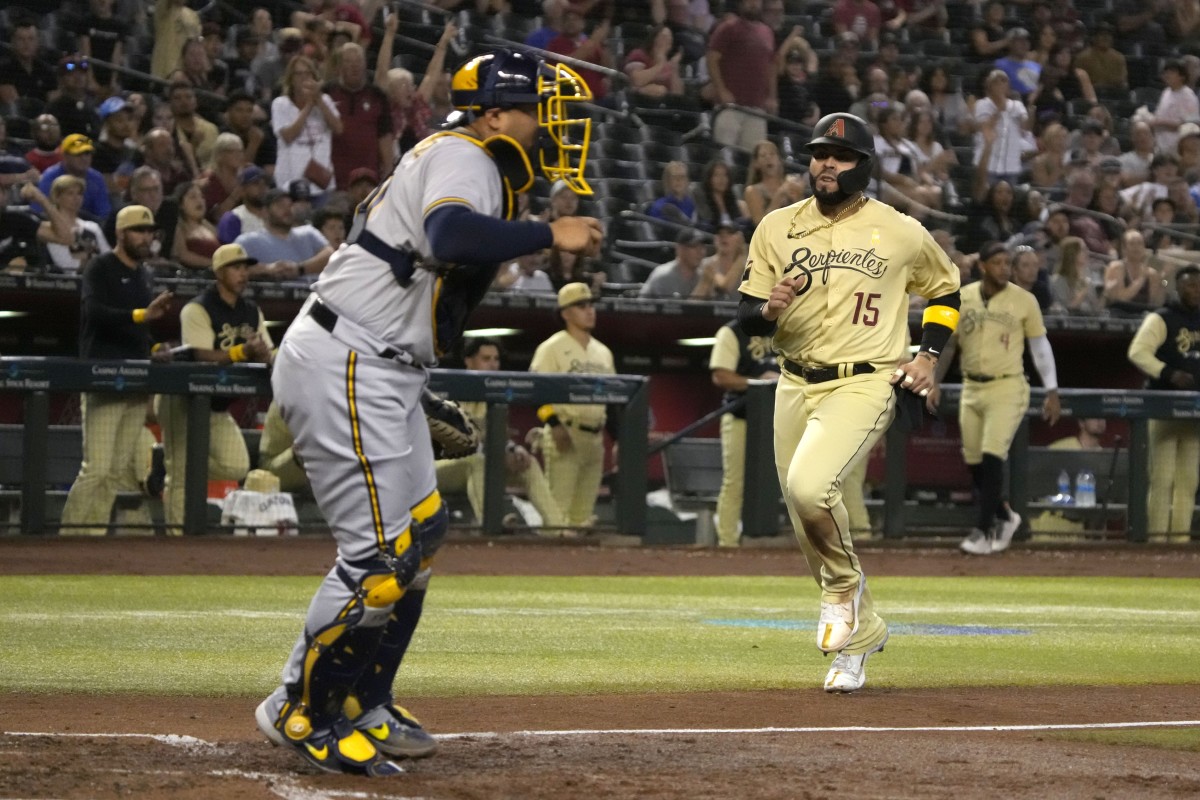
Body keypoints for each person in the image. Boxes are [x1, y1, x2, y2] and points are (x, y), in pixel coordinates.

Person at [254, 49, 602, 776]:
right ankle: (301, 707)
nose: (548, 126)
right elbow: (448, 238)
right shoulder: (465, 153)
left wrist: (412, 379)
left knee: (422, 535)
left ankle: (359, 699)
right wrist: (549, 232)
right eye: (537, 110)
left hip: (377, 363)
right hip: (348, 358)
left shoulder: (463, 159)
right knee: (381, 558)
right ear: (495, 113)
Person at [737, 112, 961, 692]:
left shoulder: (903, 230)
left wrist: (928, 357)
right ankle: (861, 636)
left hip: (865, 380)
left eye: (839, 156)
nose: (825, 164)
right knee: (803, 511)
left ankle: (841, 591)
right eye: (817, 154)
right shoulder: (777, 227)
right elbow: (744, 314)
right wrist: (768, 308)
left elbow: (945, 289)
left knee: (812, 488)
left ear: (865, 165)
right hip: (793, 380)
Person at [929, 242, 1061, 556]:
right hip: (971, 387)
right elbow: (948, 345)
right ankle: (1005, 515)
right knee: (974, 461)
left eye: (1007, 263)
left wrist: (1052, 390)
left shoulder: (1024, 300)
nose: (1004, 268)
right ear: (984, 266)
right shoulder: (964, 296)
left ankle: (983, 530)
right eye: (997, 262)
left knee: (991, 457)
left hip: (1008, 386)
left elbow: (1040, 347)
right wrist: (932, 380)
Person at [60, 206, 172, 535]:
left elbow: (138, 330)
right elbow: (95, 313)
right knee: (96, 468)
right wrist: (141, 315)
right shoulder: (100, 267)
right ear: (121, 234)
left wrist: (153, 348)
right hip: (103, 377)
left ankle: (90, 538)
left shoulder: (144, 274)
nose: (146, 237)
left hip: (136, 382)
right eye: (139, 230)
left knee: (115, 471)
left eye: (150, 231)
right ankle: (68, 538)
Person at [157, 243, 273, 530]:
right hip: (182, 400)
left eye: (246, 267)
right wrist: (241, 353)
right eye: (236, 267)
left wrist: (263, 354)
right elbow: (201, 354)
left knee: (236, 465)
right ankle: (177, 538)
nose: (243, 273)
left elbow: (269, 351)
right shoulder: (198, 307)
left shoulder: (251, 310)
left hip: (217, 405)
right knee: (182, 475)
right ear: (219, 273)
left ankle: (165, 462)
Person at [434, 338, 567, 534]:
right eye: (486, 358)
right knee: (477, 461)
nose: (493, 364)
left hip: (477, 463)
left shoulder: (495, 393)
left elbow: (497, 439)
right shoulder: (450, 389)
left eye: (496, 359)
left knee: (527, 463)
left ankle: (557, 528)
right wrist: (496, 453)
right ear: (468, 361)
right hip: (435, 468)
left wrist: (512, 449)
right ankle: (491, 523)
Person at [530, 282, 615, 530]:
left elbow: (612, 398)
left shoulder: (603, 352)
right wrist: (554, 425)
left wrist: (617, 437)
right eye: (581, 306)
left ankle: (576, 567)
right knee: (557, 514)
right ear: (565, 313)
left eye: (591, 305)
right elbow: (536, 392)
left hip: (595, 437)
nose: (590, 310)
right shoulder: (551, 348)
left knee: (583, 517)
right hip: (566, 432)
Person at [1127, 264, 1200, 536]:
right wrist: (1167, 372)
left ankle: (1179, 540)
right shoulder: (1162, 317)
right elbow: (1137, 352)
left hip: (1195, 411)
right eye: (1190, 285)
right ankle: (1157, 538)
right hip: (1164, 405)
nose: (1196, 290)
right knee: (1162, 479)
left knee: (1189, 481)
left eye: (1199, 285)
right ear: (1177, 287)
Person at [708, 318, 779, 547]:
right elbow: (721, 375)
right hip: (741, 415)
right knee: (735, 482)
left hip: (781, 419)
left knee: (791, 483)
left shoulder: (790, 327)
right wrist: (757, 382)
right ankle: (727, 542)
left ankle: (781, 542)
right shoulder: (733, 331)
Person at [706, 0, 777, 150]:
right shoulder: (728, 28)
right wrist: (721, 91)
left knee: (753, 158)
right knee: (725, 154)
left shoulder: (767, 32)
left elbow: (771, 67)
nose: (753, 4)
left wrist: (772, 96)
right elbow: (712, 59)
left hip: (757, 107)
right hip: (730, 106)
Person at [235, 187, 333, 280]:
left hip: (310, 294)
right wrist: (267, 270)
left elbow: (331, 254)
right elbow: (231, 268)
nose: (287, 209)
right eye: (280, 205)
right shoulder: (248, 241)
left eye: (290, 205)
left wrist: (300, 269)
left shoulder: (308, 233)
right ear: (265, 212)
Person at [638, 228, 709, 298]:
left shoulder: (703, 276)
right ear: (680, 249)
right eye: (694, 247)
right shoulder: (664, 275)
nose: (701, 252)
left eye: (702, 247)